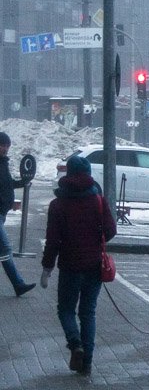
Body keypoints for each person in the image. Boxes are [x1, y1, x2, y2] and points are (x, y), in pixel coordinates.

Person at [40, 154, 116, 375]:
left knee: (65, 309)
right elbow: (111, 230)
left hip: (70, 265)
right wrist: (96, 239)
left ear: (69, 173)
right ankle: (88, 362)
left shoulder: (58, 204)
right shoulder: (98, 201)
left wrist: (47, 268)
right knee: (88, 313)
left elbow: (53, 240)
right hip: (94, 265)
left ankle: (75, 345)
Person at [0, 131, 35, 296]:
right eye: (2, 145)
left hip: (1, 212)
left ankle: (18, 284)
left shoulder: (3, 163)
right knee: (5, 247)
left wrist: (21, 183)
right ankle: (18, 284)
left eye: (7, 145)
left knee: (3, 250)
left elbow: (6, 185)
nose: (5, 148)